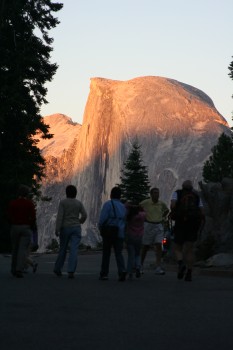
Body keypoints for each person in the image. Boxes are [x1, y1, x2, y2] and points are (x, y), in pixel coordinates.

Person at [170, 180, 205, 282]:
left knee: (177, 248)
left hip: (180, 223)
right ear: (191, 188)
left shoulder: (177, 193)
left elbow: (173, 205)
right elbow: (202, 211)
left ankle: (181, 263)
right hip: (193, 225)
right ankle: (189, 273)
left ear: (182, 186)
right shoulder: (197, 197)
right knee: (190, 250)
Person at [53, 185, 87, 279]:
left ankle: (58, 268)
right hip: (76, 227)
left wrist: (57, 229)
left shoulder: (63, 203)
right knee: (74, 249)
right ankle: (71, 271)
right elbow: (84, 215)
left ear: (66, 193)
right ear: (75, 193)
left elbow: (60, 217)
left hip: (65, 228)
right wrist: (80, 221)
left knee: (63, 249)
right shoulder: (78, 203)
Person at [98, 187, 127, 281]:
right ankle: (122, 270)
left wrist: (100, 227)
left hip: (109, 231)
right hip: (120, 232)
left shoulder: (108, 204)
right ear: (120, 196)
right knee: (119, 253)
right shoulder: (123, 206)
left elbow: (102, 218)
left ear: (111, 195)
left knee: (106, 253)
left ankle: (104, 273)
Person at [8, 185, 36, 278]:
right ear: (26, 194)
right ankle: (19, 269)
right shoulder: (29, 204)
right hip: (25, 227)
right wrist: (31, 227)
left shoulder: (13, 203)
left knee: (15, 249)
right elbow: (33, 217)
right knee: (22, 249)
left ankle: (13, 268)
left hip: (15, 227)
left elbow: (9, 216)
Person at [140, 187, 169, 275]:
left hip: (159, 225)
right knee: (145, 246)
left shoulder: (161, 204)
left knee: (159, 245)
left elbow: (167, 210)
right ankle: (140, 265)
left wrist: (163, 217)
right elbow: (138, 207)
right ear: (151, 194)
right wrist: (143, 216)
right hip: (149, 225)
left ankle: (158, 266)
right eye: (155, 193)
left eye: (158, 193)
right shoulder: (146, 203)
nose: (157, 194)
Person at [125, 203, 146, 279]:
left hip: (130, 236)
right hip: (139, 237)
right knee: (137, 254)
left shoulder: (130, 216)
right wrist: (140, 207)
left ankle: (129, 272)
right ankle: (138, 267)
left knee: (131, 255)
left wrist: (130, 206)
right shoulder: (142, 216)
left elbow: (125, 207)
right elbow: (145, 211)